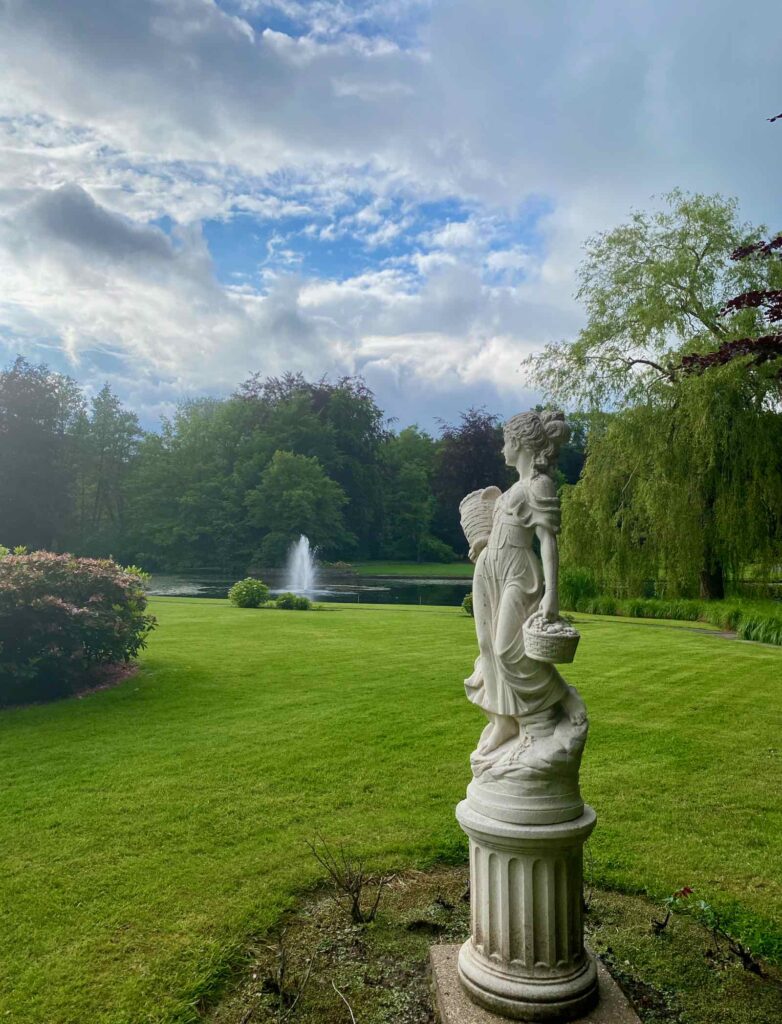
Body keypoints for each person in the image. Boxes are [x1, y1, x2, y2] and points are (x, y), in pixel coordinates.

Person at [464, 410, 585, 777]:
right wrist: (482, 543)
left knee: (508, 649)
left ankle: (562, 699)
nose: (502, 447)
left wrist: (551, 594)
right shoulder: (512, 489)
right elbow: (500, 529)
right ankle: (503, 720)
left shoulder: (538, 485)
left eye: (505, 440)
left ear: (519, 443)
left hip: (518, 573)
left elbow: (548, 544)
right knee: (489, 650)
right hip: (490, 573)